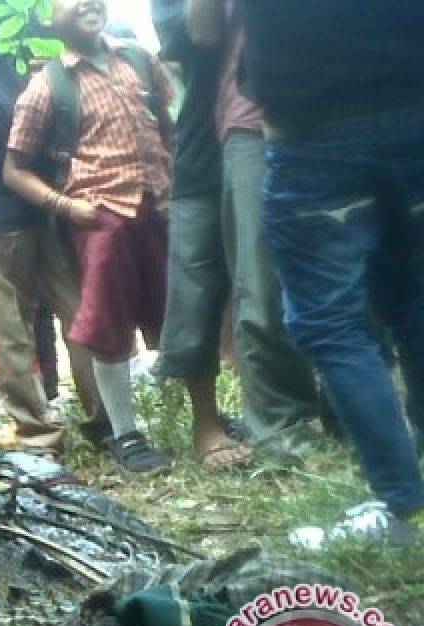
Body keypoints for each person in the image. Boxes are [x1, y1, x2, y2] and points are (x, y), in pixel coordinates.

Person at [240, 0, 424, 542]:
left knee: (332, 325)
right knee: (416, 301)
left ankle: (405, 509)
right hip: (415, 105)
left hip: (314, 127)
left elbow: (203, 26)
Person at [3, 0, 175, 474]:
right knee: (107, 327)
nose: (85, 3)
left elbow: (166, 127)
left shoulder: (139, 58)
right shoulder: (47, 85)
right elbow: (14, 170)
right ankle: (127, 434)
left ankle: (209, 417)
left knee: (181, 312)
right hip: (102, 217)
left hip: (159, 208)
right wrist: (67, 206)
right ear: (47, 18)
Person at [0, 0, 105, 451]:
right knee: (15, 323)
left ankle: (98, 421)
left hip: (50, 191)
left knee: (74, 312)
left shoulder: (32, 20)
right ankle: (46, 429)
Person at [150, 0, 316, 470]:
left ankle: (298, 406)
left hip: (271, 128)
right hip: (205, 146)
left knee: (273, 278)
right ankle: (207, 423)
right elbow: (197, 36)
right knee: (196, 290)